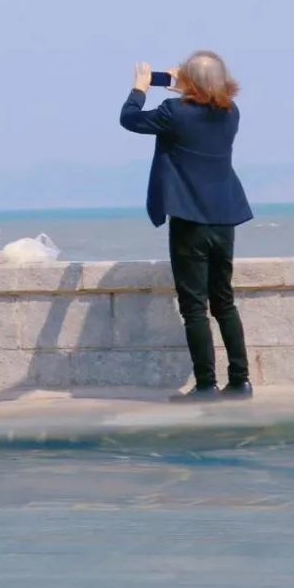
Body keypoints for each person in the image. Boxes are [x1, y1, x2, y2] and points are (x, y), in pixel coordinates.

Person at [120, 51, 254, 400]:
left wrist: (141, 87)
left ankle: (207, 385)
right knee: (224, 301)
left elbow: (129, 119)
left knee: (194, 305)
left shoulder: (174, 113)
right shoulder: (231, 113)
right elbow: (201, 104)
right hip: (224, 218)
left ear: (191, 81)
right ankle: (240, 381)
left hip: (190, 220)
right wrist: (186, 82)